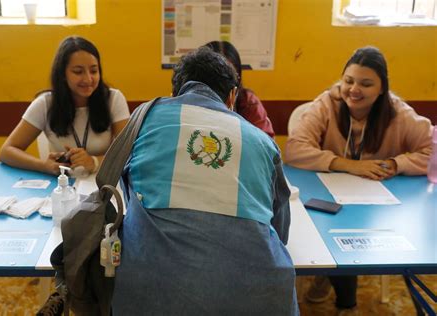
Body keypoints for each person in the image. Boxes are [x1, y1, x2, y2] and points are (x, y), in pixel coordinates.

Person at [112, 46, 298, 315]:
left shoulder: (145, 118)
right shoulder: (261, 141)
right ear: (232, 96)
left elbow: (128, 196)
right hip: (256, 298)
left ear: (175, 93)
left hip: (151, 297)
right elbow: (281, 229)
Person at [284, 46, 432, 314]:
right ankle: (346, 303)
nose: (354, 89)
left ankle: (335, 289)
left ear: (381, 89)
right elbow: (294, 149)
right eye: (348, 81)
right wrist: (349, 165)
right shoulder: (327, 104)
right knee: (332, 233)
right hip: (326, 197)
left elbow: (432, 150)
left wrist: (397, 164)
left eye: (366, 84)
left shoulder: (397, 112)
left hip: (380, 205)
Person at [0, 36, 130, 176]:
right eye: (78, 72)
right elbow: (6, 152)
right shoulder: (45, 103)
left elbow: (131, 153)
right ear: (62, 74)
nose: (88, 79)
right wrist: (44, 165)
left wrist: (95, 162)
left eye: (93, 71)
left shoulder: (113, 99)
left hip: (103, 183)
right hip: (62, 186)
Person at [204, 40, 275, 138]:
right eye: (215, 75)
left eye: (230, 75)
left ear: (238, 77)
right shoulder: (188, 102)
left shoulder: (248, 102)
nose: (223, 83)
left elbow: (265, 145)